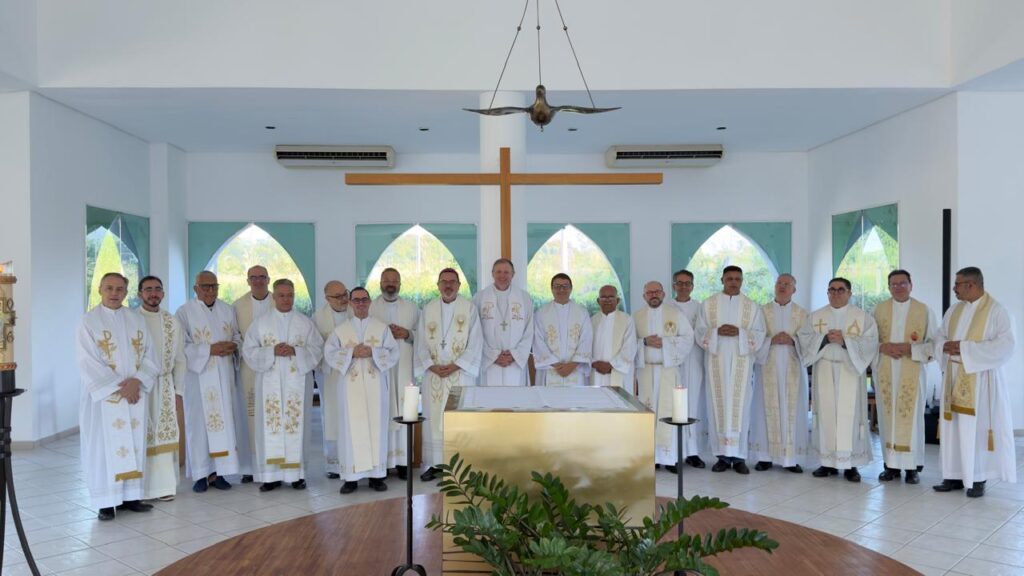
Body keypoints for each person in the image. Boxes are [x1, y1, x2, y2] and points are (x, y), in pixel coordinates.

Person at [77, 273, 159, 521]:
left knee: (133, 444)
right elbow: (87, 361)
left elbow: (150, 355)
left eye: (120, 289)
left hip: (135, 395)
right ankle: (105, 502)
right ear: (100, 290)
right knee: (103, 448)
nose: (114, 293)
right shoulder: (88, 322)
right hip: (104, 399)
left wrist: (137, 381)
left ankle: (131, 497)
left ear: (126, 292)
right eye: (109, 288)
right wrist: (120, 387)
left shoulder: (136, 319)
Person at [933, 267, 1016, 498]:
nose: (954, 289)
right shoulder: (954, 310)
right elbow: (940, 335)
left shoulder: (997, 311)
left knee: (977, 430)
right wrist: (944, 346)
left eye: (957, 284)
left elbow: (1006, 346)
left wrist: (965, 349)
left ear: (971, 285)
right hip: (954, 376)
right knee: (954, 428)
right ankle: (953, 475)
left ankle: (978, 477)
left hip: (981, 381)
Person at [242, 279, 323, 492]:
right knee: (270, 425)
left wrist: (297, 351)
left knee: (298, 425)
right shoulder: (261, 323)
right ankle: (270, 476)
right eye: (282, 295)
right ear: (274, 297)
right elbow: (248, 351)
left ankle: (296, 475)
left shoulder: (305, 323)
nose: (286, 299)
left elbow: (317, 349)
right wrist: (272, 352)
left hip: (297, 384)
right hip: (270, 385)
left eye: (290, 295)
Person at [799, 277, 877, 483]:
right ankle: (827, 463)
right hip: (824, 367)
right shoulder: (817, 316)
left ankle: (850, 465)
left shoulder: (862, 317)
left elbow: (870, 343)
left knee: (849, 419)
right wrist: (824, 338)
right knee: (825, 415)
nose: (835, 293)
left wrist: (844, 341)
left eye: (840, 290)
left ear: (849, 293)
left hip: (849, 370)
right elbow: (804, 338)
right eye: (831, 290)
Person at [324, 286, 400, 494]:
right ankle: (351, 477)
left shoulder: (381, 328)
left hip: (376, 386)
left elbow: (394, 352)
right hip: (350, 387)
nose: (360, 304)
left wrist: (373, 352)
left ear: (369, 302)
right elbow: (329, 353)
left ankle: (377, 476)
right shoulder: (341, 330)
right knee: (350, 428)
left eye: (364, 300)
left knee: (376, 426)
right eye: (356, 300)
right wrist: (351, 353)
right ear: (350, 303)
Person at [695, 266, 766, 475]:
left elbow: (760, 334)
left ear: (742, 281)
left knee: (740, 408)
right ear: (722, 280)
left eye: (737, 279)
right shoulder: (708, 305)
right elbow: (699, 332)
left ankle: (739, 457)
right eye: (729, 278)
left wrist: (740, 333)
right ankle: (722, 457)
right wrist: (716, 332)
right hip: (716, 362)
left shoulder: (752, 307)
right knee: (717, 406)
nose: (733, 282)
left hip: (741, 366)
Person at [176, 271, 242, 493]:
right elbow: (181, 346)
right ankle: (201, 474)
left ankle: (220, 473)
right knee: (198, 426)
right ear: (196, 289)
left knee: (224, 423)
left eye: (214, 286)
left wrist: (232, 346)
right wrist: (209, 350)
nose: (210, 290)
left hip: (223, 376)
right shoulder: (184, 312)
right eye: (205, 286)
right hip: (198, 378)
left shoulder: (227, 309)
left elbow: (237, 337)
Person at [415, 268, 482, 482]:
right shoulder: (428, 309)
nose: (448, 285)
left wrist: (456, 365)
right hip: (434, 376)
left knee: (457, 417)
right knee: (434, 418)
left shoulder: (469, 309)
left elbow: (475, 342)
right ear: (437, 285)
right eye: (443, 281)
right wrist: (430, 365)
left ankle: (459, 465)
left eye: (452, 281)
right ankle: (436, 464)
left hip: (460, 374)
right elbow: (420, 343)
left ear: (459, 285)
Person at [873, 270, 938, 485]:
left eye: (903, 283)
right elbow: (866, 342)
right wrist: (883, 346)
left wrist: (911, 349)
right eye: (894, 284)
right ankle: (890, 465)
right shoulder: (878, 310)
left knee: (913, 419)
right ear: (888, 287)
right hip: (886, 371)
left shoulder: (924, 310)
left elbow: (934, 344)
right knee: (887, 418)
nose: (898, 287)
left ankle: (912, 468)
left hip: (912, 371)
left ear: (911, 285)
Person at [749, 274, 808, 473]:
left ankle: (791, 458)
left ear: (794, 289)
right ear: (774, 287)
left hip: (793, 366)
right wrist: (770, 341)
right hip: (767, 364)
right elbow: (754, 337)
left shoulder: (802, 314)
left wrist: (794, 340)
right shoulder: (761, 312)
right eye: (779, 284)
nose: (782, 287)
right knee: (764, 408)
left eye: (787, 284)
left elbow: (809, 340)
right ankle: (764, 456)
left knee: (793, 410)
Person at [635, 281, 694, 473]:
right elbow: (628, 343)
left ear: (663, 294)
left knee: (671, 412)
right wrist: (643, 341)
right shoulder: (636, 317)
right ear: (644, 296)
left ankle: (671, 458)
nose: (653, 295)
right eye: (649, 292)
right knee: (648, 412)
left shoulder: (676, 315)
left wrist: (665, 344)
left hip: (668, 370)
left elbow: (688, 338)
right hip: (645, 371)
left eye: (657, 291)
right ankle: (650, 458)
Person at [137, 275, 186, 501]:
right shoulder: (131, 319)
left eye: (157, 289)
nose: (153, 293)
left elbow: (180, 359)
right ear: (140, 294)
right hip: (140, 385)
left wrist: (178, 391)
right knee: (140, 434)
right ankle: (140, 489)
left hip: (165, 384)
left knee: (164, 434)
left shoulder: (172, 322)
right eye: (148, 290)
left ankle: (164, 487)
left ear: (163, 294)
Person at [369, 268, 419, 480]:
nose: (390, 284)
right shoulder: (370, 308)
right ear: (380, 283)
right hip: (380, 367)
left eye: (394, 280)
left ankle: (403, 462)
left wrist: (407, 333)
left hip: (405, 365)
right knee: (383, 410)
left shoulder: (413, 308)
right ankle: (381, 462)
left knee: (406, 408)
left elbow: (423, 335)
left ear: (400, 283)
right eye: (386, 280)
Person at [233, 265, 272, 482]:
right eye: (253, 277)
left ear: (268, 279)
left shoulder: (280, 301)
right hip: (249, 368)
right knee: (250, 415)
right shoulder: (238, 306)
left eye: (261, 277)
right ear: (248, 281)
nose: (257, 281)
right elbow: (235, 335)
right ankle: (250, 467)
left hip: (275, 369)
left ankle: (274, 463)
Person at [473, 259, 534, 387]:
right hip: (490, 363)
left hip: (515, 362)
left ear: (513, 274)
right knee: (490, 403)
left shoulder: (524, 298)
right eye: (499, 272)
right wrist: (493, 355)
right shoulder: (479, 298)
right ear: (492, 273)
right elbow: (475, 332)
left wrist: (514, 355)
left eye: (506, 272)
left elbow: (529, 331)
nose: (502, 275)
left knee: (516, 402)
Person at [313, 280, 352, 479]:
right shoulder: (317, 319)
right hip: (330, 375)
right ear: (327, 299)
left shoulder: (355, 313)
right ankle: (334, 463)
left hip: (354, 373)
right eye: (337, 296)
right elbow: (315, 347)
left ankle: (354, 459)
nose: (343, 299)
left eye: (345, 294)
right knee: (331, 415)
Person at [672, 269, 707, 469]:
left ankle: (692, 451)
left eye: (687, 283)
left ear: (692, 286)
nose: (683, 286)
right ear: (674, 286)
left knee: (693, 404)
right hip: (674, 363)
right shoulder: (667, 308)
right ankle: (675, 452)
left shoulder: (701, 308)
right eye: (680, 283)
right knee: (676, 407)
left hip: (694, 360)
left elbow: (704, 333)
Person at [533, 273, 593, 386]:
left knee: (575, 403)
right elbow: (537, 340)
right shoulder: (541, 313)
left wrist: (572, 364)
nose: (561, 289)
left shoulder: (582, 312)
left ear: (571, 288)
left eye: (565, 286)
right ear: (551, 289)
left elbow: (586, 339)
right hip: (550, 369)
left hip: (575, 369)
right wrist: (555, 364)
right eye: (557, 286)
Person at [590, 285, 636, 388]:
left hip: (618, 373)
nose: (607, 300)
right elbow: (585, 346)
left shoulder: (627, 320)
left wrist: (610, 365)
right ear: (598, 300)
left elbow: (630, 348)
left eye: (611, 297)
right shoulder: (592, 321)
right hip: (596, 374)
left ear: (617, 300)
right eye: (603, 297)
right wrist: (594, 363)